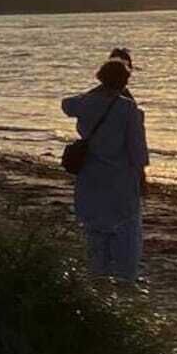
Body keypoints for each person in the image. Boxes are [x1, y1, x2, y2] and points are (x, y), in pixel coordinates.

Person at [61, 56, 148, 283]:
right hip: (121, 176)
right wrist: (142, 176)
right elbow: (137, 149)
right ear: (125, 82)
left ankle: (97, 274)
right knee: (126, 227)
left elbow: (66, 104)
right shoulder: (128, 108)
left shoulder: (84, 104)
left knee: (95, 228)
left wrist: (97, 89)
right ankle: (125, 277)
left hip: (91, 175)